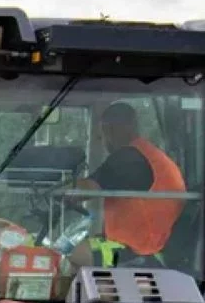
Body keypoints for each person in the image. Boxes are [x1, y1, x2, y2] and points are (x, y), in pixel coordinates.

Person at [74, 102, 186, 263]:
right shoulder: (147, 154)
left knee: (73, 253)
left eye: (103, 133)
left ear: (110, 130)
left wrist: (56, 190)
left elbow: (84, 189)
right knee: (79, 245)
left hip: (140, 251)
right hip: (143, 245)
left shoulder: (130, 158)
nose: (104, 140)